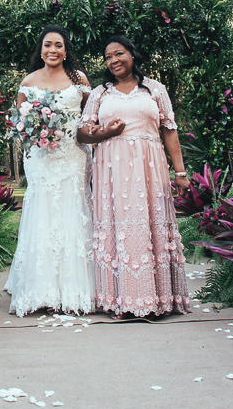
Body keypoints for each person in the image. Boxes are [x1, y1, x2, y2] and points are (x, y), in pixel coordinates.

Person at [78, 35, 192, 319]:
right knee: (119, 226)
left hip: (149, 166)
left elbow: (170, 129)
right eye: (108, 57)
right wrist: (105, 133)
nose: (114, 60)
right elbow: (82, 131)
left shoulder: (154, 89)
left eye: (119, 54)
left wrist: (180, 172)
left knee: (150, 223)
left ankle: (157, 299)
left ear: (132, 54)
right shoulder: (100, 94)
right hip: (111, 171)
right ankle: (120, 299)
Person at [4, 25, 95, 317]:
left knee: (72, 212)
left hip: (73, 156)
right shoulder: (29, 81)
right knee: (42, 213)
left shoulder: (78, 79)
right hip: (42, 158)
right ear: (40, 50)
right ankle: (40, 290)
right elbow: (18, 123)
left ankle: (75, 290)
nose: (52, 50)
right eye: (47, 45)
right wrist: (34, 130)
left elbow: (91, 116)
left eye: (58, 45)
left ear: (65, 49)